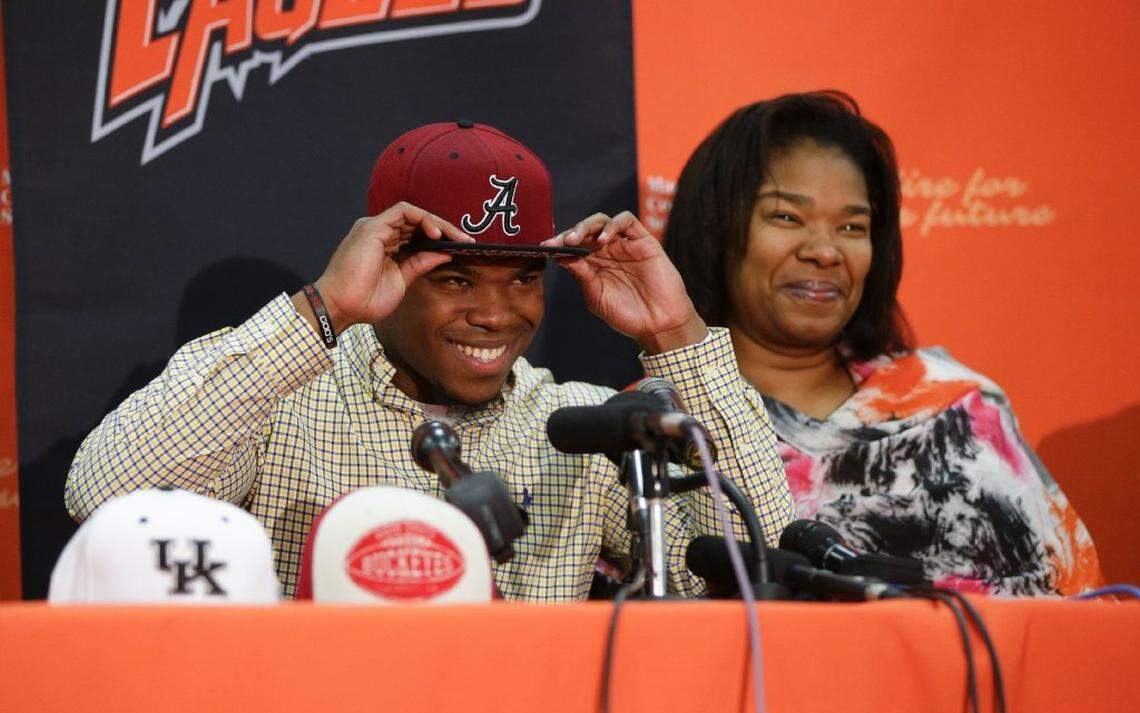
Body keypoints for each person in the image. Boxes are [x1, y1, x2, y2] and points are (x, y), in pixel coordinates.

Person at [65, 120, 793, 600]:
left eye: (522, 276)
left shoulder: (577, 427)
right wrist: (329, 310)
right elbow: (105, 497)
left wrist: (678, 334)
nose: (496, 313)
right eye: (454, 278)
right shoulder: (281, 397)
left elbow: (749, 571)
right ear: (385, 265)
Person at [664, 92, 1103, 596]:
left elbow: (1081, 603)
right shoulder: (656, 430)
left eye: (852, 226)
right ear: (716, 230)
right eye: (787, 217)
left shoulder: (960, 408)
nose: (825, 251)